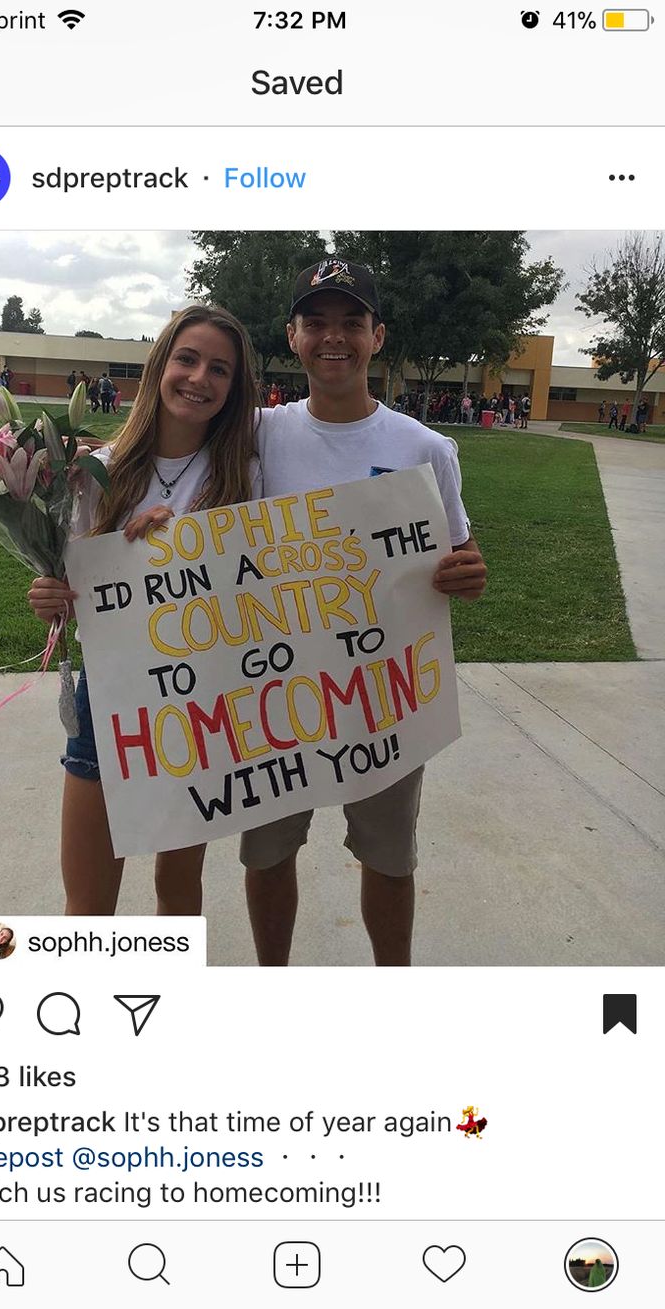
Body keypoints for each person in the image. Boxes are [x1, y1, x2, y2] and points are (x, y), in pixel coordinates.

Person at [241, 259, 487, 967]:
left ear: (377, 335)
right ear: (292, 335)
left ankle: (393, 991)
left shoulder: (424, 448)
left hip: (382, 695)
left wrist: (468, 574)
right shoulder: (256, 435)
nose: (333, 336)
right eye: (316, 321)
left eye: (351, 321)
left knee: (388, 857)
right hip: (275, 690)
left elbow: (460, 552)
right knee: (266, 853)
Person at [27, 305, 263, 917]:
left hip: (198, 703)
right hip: (109, 700)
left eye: (220, 369)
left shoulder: (245, 477)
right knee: (87, 901)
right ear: (161, 365)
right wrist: (52, 598)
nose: (199, 378)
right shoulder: (93, 472)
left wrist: (183, 543)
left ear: (234, 389)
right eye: (187, 359)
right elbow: (79, 600)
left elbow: (260, 593)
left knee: (179, 892)